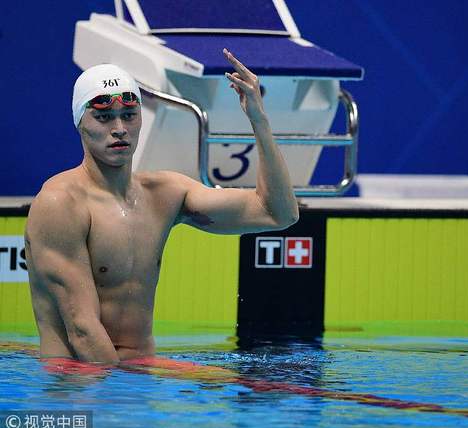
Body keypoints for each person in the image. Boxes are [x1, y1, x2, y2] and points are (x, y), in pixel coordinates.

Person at [25, 49, 299, 364]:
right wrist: (126, 397)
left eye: (129, 116)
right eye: (103, 117)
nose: (119, 128)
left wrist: (259, 119)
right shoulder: (61, 203)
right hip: (78, 383)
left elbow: (279, 213)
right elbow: (82, 331)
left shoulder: (164, 194)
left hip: (139, 376)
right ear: (80, 123)